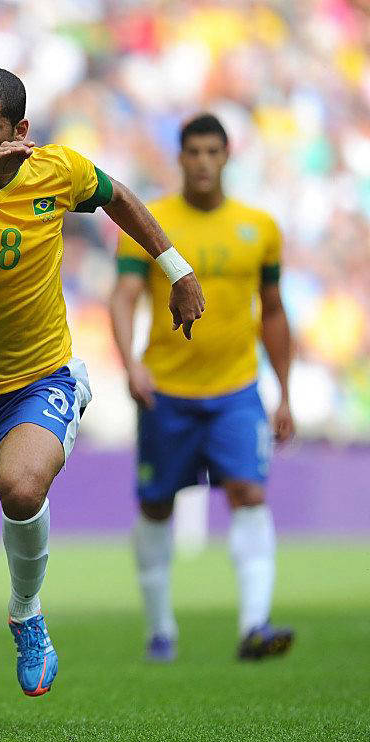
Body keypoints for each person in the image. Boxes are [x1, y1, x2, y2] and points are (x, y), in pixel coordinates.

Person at [0, 68, 205, 723]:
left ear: (20, 130)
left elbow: (118, 196)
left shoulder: (59, 171)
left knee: (21, 489)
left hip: (40, 376)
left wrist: (176, 268)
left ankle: (26, 614)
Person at [109, 113, 294, 663]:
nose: (203, 162)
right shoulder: (150, 221)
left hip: (236, 389)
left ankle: (255, 625)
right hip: (165, 390)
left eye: (213, 152)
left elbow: (274, 311)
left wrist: (284, 392)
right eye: (194, 152)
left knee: (250, 493)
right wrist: (130, 363)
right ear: (180, 157)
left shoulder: (260, 227)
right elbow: (123, 296)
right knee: (157, 505)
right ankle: (160, 630)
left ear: (227, 156)